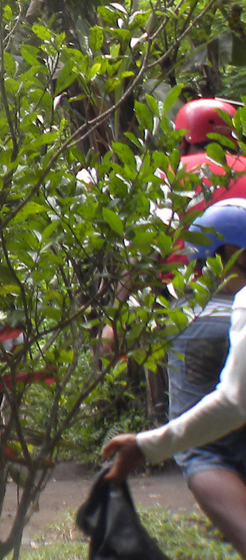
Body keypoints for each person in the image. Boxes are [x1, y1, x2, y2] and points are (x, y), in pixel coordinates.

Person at [103, 198, 246, 556]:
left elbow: (233, 401)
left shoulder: (174, 178)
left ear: (231, 253)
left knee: (204, 450)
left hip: (198, 320)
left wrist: (148, 445)